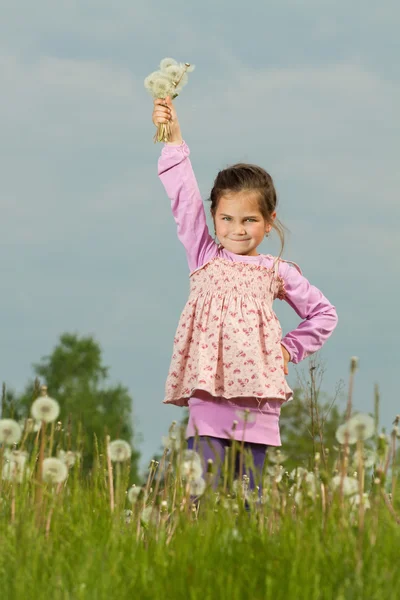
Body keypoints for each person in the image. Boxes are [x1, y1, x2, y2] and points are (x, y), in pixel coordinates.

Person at [152, 96, 338, 492]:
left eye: (250, 219)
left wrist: (288, 350)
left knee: (249, 504)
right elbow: (184, 199)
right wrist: (174, 140)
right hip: (208, 402)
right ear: (214, 217)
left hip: (259, 407)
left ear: (269, 223)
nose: (238, 229)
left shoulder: (276, 271)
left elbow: (323, 314)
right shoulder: (203, 256)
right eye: (227, 219)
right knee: (202, 498)